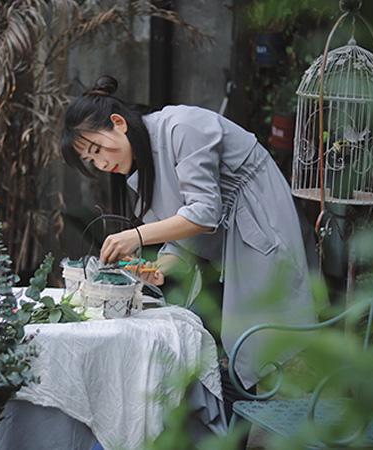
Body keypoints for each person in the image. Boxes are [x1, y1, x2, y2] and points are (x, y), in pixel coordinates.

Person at [61, 75, 316, 422]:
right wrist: (157, 268)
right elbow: (182, 236)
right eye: (92, 162)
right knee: (216, 342)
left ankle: (259, 428)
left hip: (262, 227)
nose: (102, 164)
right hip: (230, 246)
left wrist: (136, 236)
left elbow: (203, 214)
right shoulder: (142, 164)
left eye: (97, 150)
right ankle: (228, 429)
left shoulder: (181, 127)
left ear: (118, 123)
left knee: (250, 345)